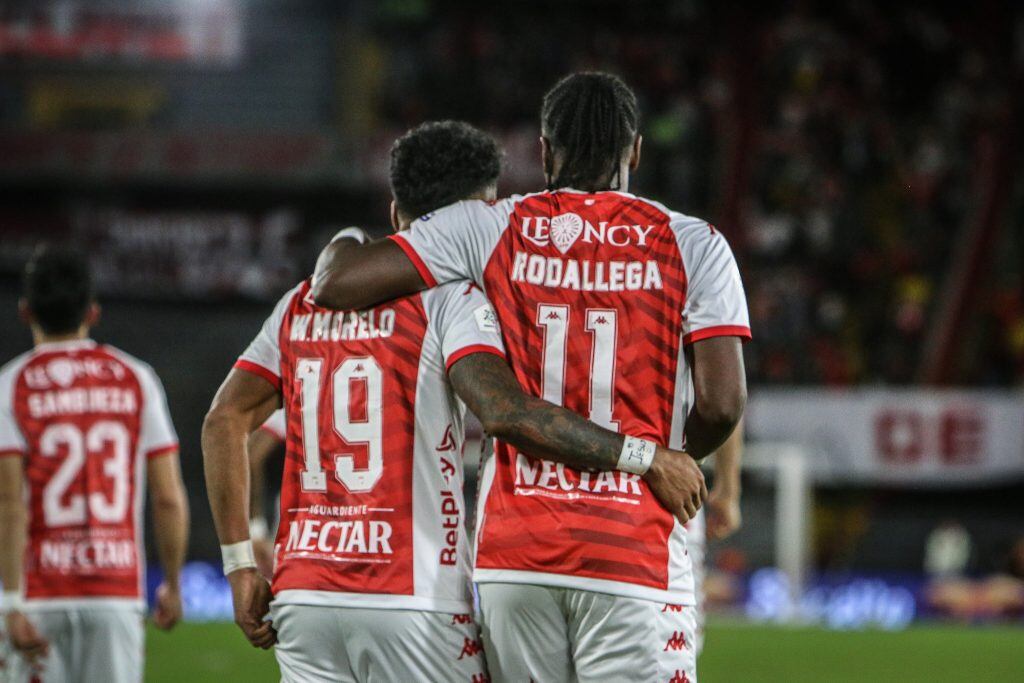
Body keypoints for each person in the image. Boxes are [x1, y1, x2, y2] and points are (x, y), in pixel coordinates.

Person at [202, 120, 705, 682]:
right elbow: (504, 410)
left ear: (396, 212)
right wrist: (644, 456)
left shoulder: (299, 305)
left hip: (303, 596)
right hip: (414, 595)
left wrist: (239, 565)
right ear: (474, 214)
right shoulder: (453, 302)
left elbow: (224, 419)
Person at [310, 72, 750, 682]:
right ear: (635, 152)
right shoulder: (695, 244)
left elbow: (335, 284)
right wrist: (664, 459)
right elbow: (723, 405)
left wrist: (346, 238)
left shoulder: (486, 226)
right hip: (632, 547)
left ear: (543, 151)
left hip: (514, 554)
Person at [0, 246, 189, 683]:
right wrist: (173, 583)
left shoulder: (11, 385)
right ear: (93, 311)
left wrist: (10, 601)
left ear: (25, 312)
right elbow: (167, 496)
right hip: (114, 591)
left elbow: (10, 503)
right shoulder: (136, 377)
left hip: (39, 595)